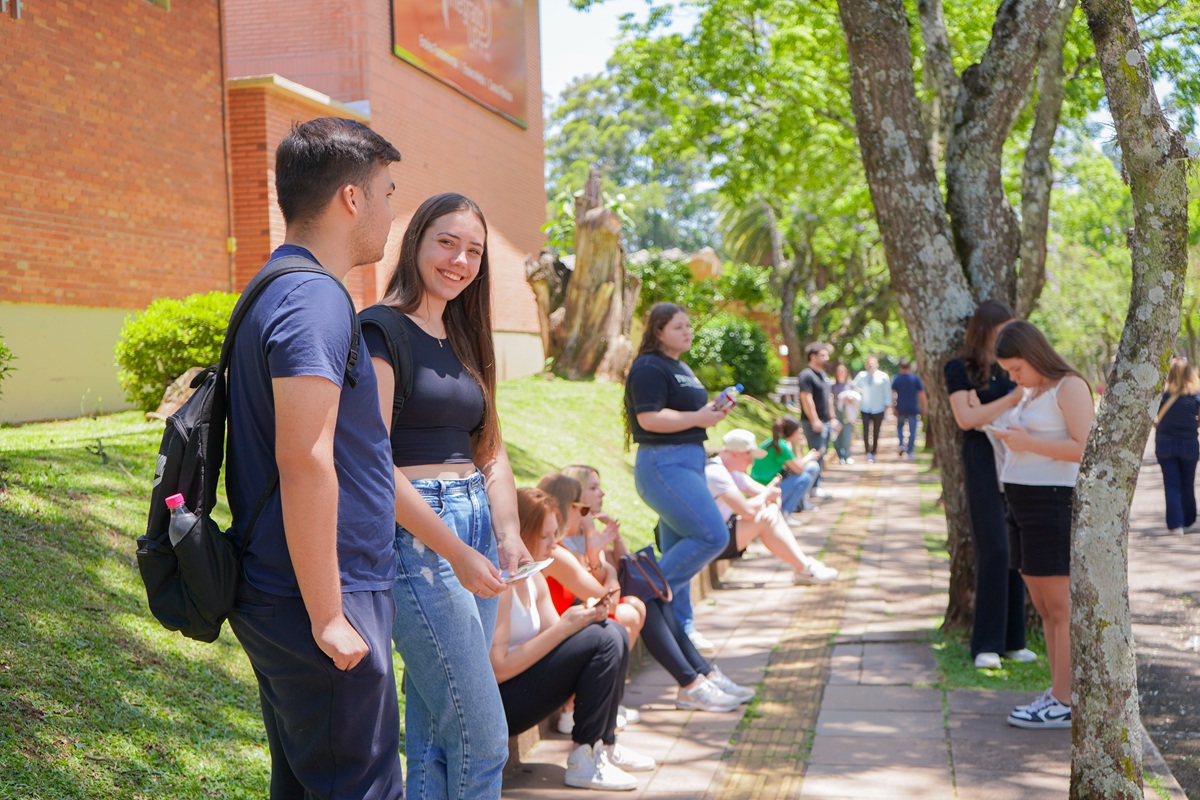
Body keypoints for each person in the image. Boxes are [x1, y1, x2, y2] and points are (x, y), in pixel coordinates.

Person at [225, 118, 405, 798]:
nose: (392, 211)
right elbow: (304, 458)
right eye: (387, 192)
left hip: (298, 589)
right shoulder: (312, 299)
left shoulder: (281, 286)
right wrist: (330, 613)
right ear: (352, 199)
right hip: (321, 597)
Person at [364, 192, 533, 798]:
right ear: (415, 243)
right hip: (418, 534)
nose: (460, 260)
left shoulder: (465, 335)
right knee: (483, 738)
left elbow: (490, 449)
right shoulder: (380, 330)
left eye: (475, 250)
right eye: (447, 242)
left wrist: (508, 533)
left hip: (477, 522)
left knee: (439, 729)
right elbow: (372, 460)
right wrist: (453, 552)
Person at [552, 468, 755, 714]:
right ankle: (692, 683)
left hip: (603, 600)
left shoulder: (588, 529)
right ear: (574, 498)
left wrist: (614, 539)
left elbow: (624, 565)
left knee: (651, 598)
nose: (602, 493)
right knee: (644, 600)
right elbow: (604, 588)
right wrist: (597, 551)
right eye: (593, 488)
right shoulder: (566, 542)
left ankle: (703, 675)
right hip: (587, 608)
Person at [491, 488, 655, 791]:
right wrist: (566, 629)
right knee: (604, 638)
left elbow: (560, 639)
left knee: (612, 631)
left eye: (556, 535)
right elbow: (497, 668)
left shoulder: (534, 577)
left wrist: (584, 619)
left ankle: (602, 746)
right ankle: (583, 758)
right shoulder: (500, 584)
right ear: (521, 532)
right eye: (546, 537)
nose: (554, 546)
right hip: (501, 704)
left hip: (527, 686)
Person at [992, 321, 1093, 730]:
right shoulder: (1035, 390)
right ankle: (1056, 692)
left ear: (1035, 355)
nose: (1013, 378)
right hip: (1022, 500)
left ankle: (1066, 700)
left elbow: (1086, 447)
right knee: (1044, 607)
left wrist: (1027, 442)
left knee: (1059, 607)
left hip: (1051, 502)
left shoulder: (1069, 386)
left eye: (1016, 369)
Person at [624, 302, 732, 655]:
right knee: (711, 535)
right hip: (663, 464)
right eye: (678, 327)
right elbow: (649, 419)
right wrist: (700, 417)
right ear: (658, 331)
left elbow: (689, 412)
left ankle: (681, 628)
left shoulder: (680, 365)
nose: (688, 332)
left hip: (689, 460)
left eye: (689, 326)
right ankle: (642, 595)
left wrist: (711, 412)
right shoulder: (648, 367)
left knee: (678, 549)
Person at [944, 300, 1031, 671]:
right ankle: (986, 643)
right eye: (1002, 331)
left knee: (1016, 551)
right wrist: (1009, 399)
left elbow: (992, 411)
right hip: (981, 463)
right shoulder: (959, 369)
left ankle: (1014, 640)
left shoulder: (1015, 369)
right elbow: (966, 418)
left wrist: (988, 406)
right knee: (993, 549)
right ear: (985, 331)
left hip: (1018, 463)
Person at [710, 430, 839, 584]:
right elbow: (748, 511)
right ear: (734, 454)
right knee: (765, 520)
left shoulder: (731, 471)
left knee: (769, 516)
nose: (751, 462)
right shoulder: (716, 473)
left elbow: (774, 494)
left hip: (720, 531)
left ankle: (804, 566)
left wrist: (772, 507)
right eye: (749, 456)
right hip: (709, 541)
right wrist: (767, 498)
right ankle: (804, 568)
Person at [1155, 357, 1200, 535]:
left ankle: (1176, 525)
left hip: (1164, 444)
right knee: (1187, 483)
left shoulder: (1160, 397)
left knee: (1171, 484)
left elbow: (1153, 420)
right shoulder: (1196, 396)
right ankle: (1188, 520)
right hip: (1189, 443)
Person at [749, 416, 823, 516]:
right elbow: (799, 470)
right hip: (766, 488)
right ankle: (785, 513)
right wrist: (809, 457)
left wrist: (797, 446)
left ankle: (799, 504)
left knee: (809, 470)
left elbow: (795, 465)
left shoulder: (775, 442)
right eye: (799, 430)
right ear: (792, 432)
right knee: (805, 478)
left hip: (761, 486)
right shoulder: (782, 446)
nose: (801, 432)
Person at [796, 341, 838, 495]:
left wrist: (832, 417)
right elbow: (806, 398)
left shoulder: (823, 375)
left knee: (823, 452)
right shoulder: (806, 375)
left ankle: (817, 484)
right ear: (813, 356)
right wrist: (814, 420)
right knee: (817, 452)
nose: (826, 358)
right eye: (823, 355)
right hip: (814, 423)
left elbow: (829, 398)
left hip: (826, 422)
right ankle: (813, 487)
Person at [853, 356, 891, 463]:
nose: (871, 365)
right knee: (865, 430)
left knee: (876, 431)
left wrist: (887, 406)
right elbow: (853, 386)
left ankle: (874, 452)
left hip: (878, 408)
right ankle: (867, 452)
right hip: (865, 408)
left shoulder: (883, 377)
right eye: (869, 363)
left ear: (877, 364)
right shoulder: (861, 376)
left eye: (873, 363)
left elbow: (887, 392)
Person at [892, 359, 927, 460]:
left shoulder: (897, 379)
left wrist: (893, 407)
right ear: (909, 368)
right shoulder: (915, 379)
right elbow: (922, 394)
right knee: (912, 430)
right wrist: (924, 407)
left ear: (900, 368)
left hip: (901, 408)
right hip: (913, 408)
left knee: (899, 427)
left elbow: (893, 394)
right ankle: (910, 451)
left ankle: (902, 444)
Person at [831, 363, 857, 464]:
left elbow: (856, 398)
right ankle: (840, 455)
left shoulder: (850, 385)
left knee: (847, 434)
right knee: (836, 434)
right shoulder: (833, 385)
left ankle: (847, 454)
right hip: (837, 411)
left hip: (847, 412)